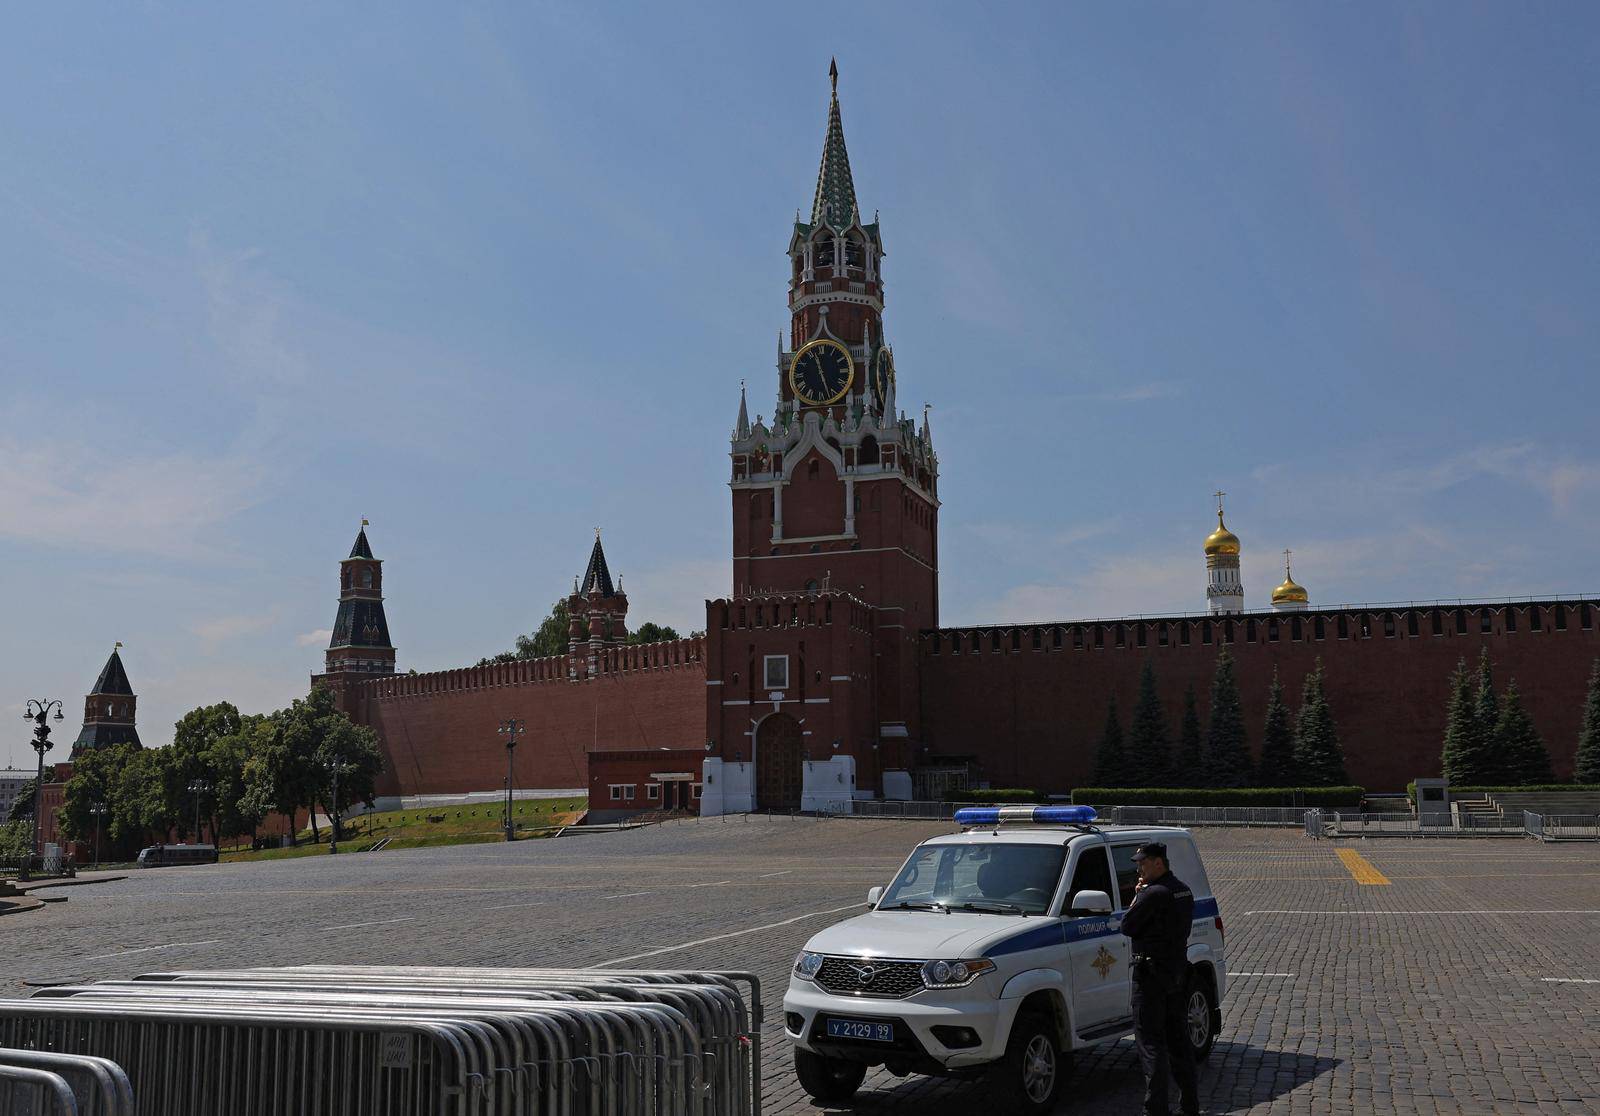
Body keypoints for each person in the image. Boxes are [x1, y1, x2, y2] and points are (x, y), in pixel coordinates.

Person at [1119, 841, 1199, 1116]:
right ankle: (1189, 1105)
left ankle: (1155, 1109)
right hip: (1175, 973)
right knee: (1179, 1042)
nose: (1139, 867)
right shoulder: (1183, 891)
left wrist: (1137, 897)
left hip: (1150, 977)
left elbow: (1127, 926)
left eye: (1143, 862)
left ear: (1158, 863)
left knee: (1150, 1045)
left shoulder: (1153, 894)